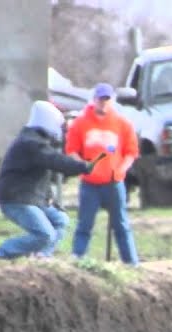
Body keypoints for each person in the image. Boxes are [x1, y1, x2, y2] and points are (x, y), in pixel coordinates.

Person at [0, 100, 104, 260]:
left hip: (31, 198)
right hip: (17, 199)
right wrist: (82, 166)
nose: (61, 129)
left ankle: (41, 256)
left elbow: (46, 168)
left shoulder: (37, 141)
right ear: (49, 122)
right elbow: (54, 160)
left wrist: (49, 198)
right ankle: (2, 253)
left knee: (61, 220)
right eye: (59, 125)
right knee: (45, 235)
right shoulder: (32, 144)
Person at [65, 82, 140, 265]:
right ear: (94, 100)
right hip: (90, 184)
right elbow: (71, 149)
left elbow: (131, 152)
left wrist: (122, 169)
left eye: (107, 99)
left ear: (112, 100)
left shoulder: (122, 124)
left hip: (114, 182)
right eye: (101, 99)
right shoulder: (81, 123)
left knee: (121, 225)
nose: (104, 103)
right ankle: (78, 261)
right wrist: (82, 164)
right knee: (84, 225)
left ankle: (131, 263)